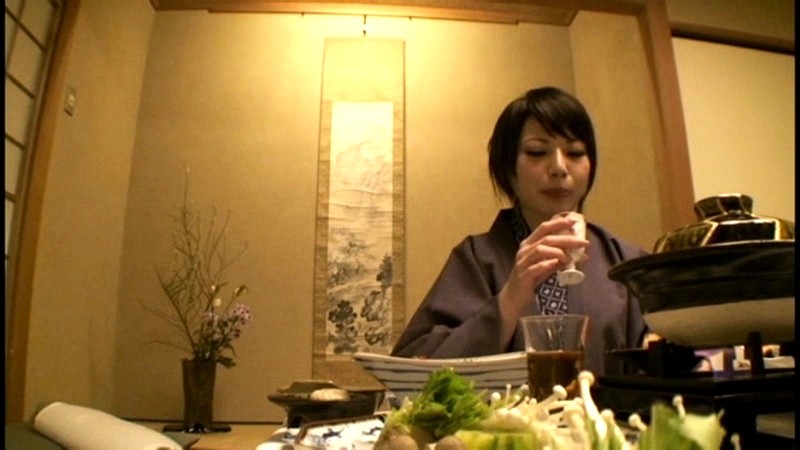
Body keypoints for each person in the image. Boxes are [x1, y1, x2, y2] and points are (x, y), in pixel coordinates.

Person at [391, 86, 648, 376]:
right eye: (537, 152)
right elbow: (412, 369)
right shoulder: (476, 258)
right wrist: (509, 300)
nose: (559, 168)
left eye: (575, 153)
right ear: (508, 167)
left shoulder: (626, 262)